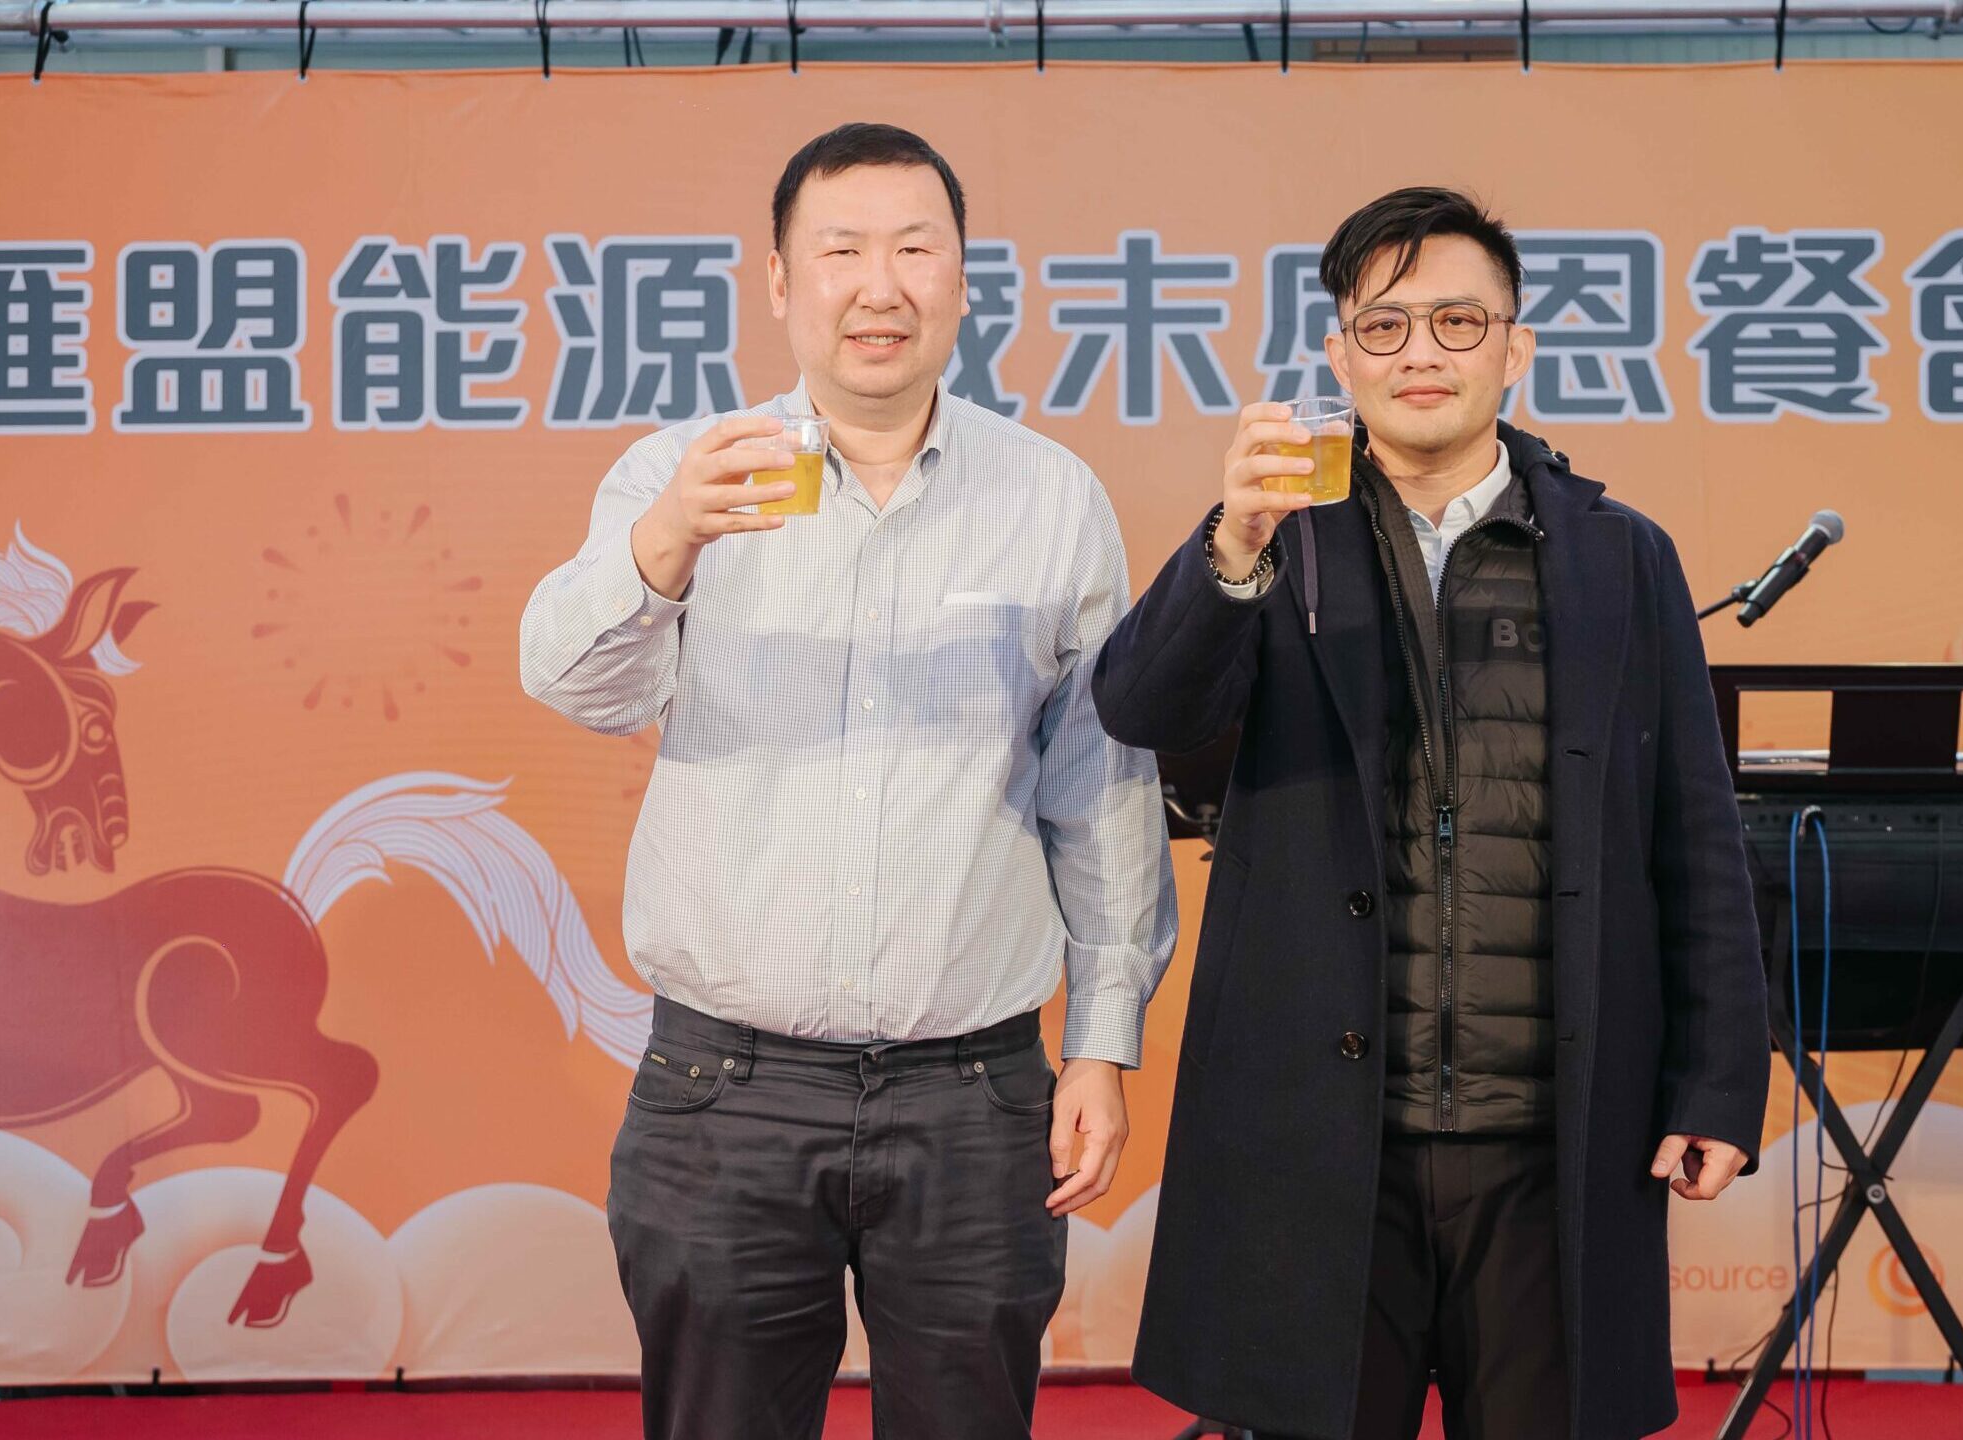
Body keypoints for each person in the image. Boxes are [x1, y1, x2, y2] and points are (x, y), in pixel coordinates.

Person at [519, 122, 1175, 1440]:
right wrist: (665, 540)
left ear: (963, 279)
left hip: (974, 1095)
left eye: (915, 251)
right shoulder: (683, 475)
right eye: (842, 252)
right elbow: (575, 685)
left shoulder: (1050, 498)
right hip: (725, 1092)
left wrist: (1101, 1044)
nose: (881, 288)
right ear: (779, 282)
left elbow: (1097, 785)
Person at [1093, 186, 1769, 1440]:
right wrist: (1231, 541)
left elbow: (1695, 834)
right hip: (1323, 1142)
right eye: (1384, 325)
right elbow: (1141, 709)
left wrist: (1721, 1079)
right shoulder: (1280, 539)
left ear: (1514, 349)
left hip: (1552, 1138)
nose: (1421, 353)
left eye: (1458, 322)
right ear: (1339, 356)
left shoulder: (1621, 557)